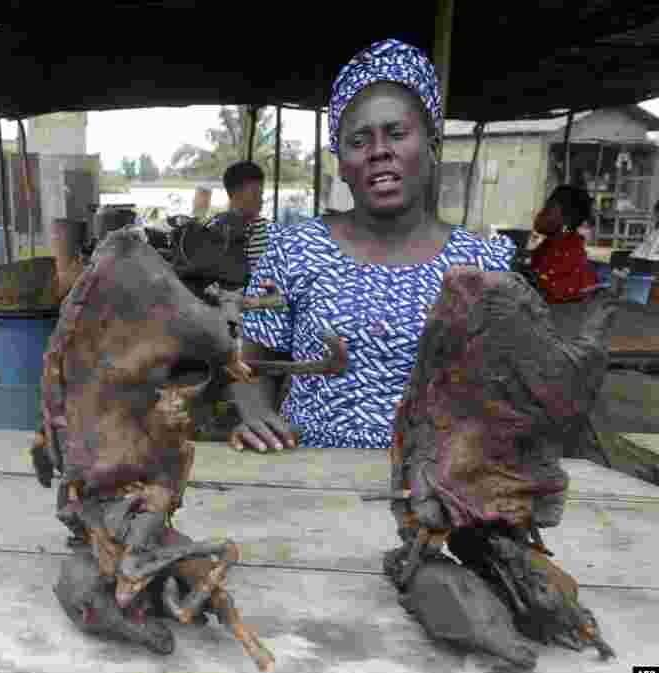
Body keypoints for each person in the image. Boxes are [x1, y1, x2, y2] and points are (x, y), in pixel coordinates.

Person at [229, 38, 515, 452]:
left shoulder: (484, 264)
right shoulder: (295, 250)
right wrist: (257, 418)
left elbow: (511, 393)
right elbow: (250, 368)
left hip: (443, 488)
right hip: (307, 486)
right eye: (359, 140)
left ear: (432, 148)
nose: (380, 151)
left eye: (397, 133)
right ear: (342, 163)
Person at [527, 185, 597, 304]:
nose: (540, 214)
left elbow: (549, 299)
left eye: (548, 209)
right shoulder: (548, 247)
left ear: (567, 219)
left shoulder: (570, 257)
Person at [206, 161, 271, 277]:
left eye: (261, 194)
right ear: (234, 194)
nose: (261, 200)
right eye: (255, 194)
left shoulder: (271, 232)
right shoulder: (213, 229)